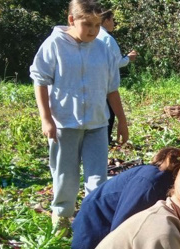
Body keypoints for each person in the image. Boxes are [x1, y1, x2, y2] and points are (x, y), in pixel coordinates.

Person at [30, 0, 129, 232]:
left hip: (97, 123)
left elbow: (111, 88)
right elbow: (40, 81)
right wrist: (46, 118)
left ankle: (93, 222)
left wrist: (122, 121)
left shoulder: (102, 48)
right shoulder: (54, 44)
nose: (93, 31)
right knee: (65, 176)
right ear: (72, 20)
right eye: (88, 25)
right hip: (64, 123)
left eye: (97, 25)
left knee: (97, 179)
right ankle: (62, 218)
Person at [99, 9, 138, 145]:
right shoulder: (107, 39)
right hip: (107, 84)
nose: (114, 23)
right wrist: (128, 58)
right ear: (106, 21)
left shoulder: (92, 37)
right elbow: (116, 63)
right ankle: (106, 140)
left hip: (95, 86)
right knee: (109, 113)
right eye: (113, 20)